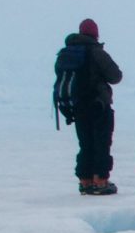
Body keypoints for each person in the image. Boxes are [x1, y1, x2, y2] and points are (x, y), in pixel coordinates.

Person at [53, 20, 123, 196]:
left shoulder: (65, 54)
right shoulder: (96, 52)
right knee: (102, 142)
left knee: (85, 144)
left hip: (77, 107)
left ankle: (85, 181)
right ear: (95, 34)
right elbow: (116, 76)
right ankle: (100, 182)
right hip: (98, 105)